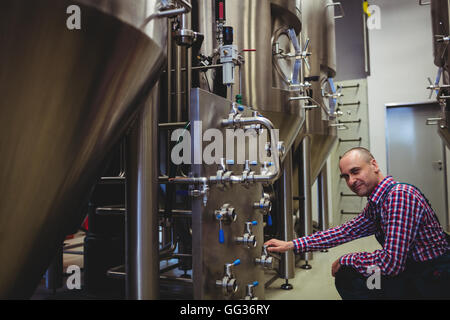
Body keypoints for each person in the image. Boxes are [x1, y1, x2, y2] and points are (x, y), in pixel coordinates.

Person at [265, 147, 450, 299]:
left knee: (350, 274)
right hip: (411, 271)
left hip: (431, 280)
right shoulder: (379, 202)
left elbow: (391, 264)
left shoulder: (399, 196)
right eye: (345, 176)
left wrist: (347, 259)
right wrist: (291, 244)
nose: (351, 181)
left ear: (374, 165)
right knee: (352, 275)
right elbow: (344, 231)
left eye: (355, 171)